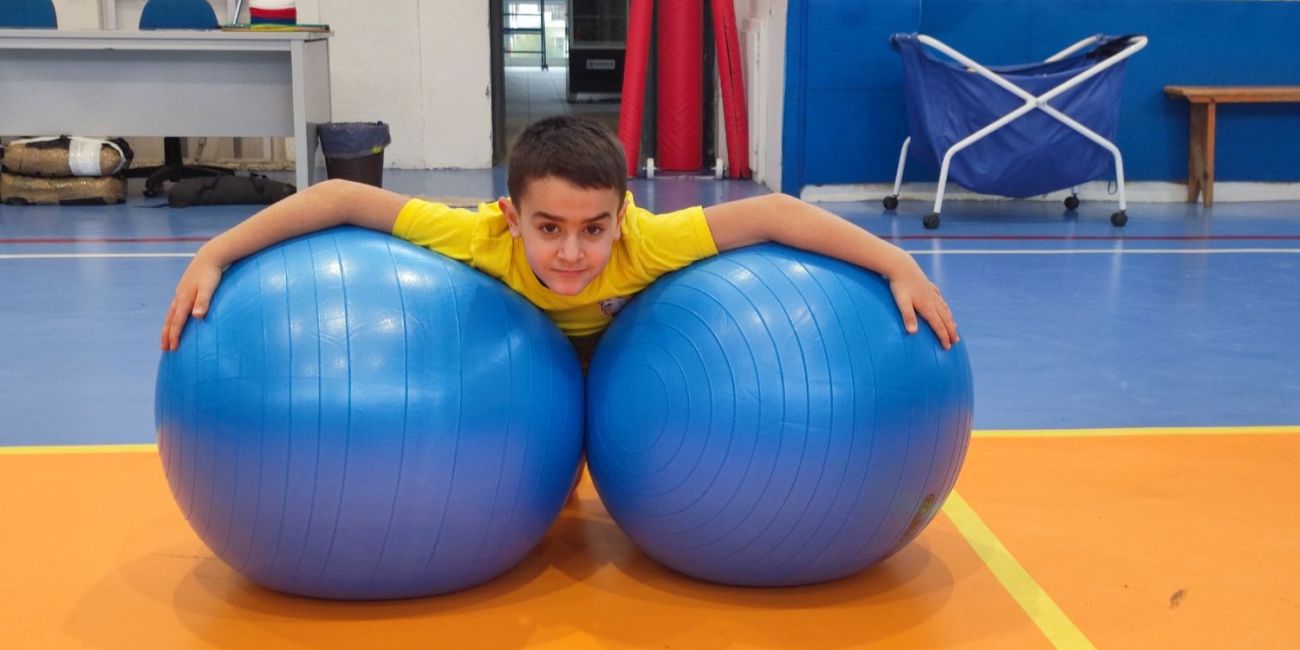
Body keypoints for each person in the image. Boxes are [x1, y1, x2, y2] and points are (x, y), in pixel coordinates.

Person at [161, 116, 958, 362]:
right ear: (512, 218)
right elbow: (341, 196)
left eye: (593, 229)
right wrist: (215, 253)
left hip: (620, 380)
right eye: (549, 229)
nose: (573, 252)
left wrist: (897, 263)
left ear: (623, 216)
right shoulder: (480, 235)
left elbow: (776, 212)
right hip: (520, 384)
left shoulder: (647, 242)